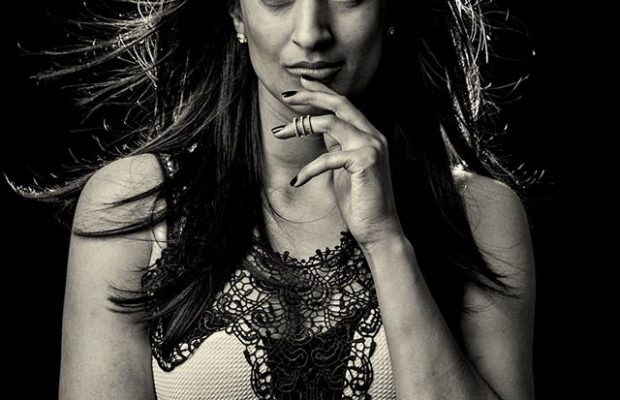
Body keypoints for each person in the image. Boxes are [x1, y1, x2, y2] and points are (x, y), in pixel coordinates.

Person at [15, 0, 536, 399]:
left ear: (390, 11)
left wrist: (384, 240)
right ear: (236, 14)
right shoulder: (136, 205)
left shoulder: (481, 213)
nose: (311, 33)